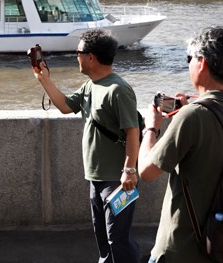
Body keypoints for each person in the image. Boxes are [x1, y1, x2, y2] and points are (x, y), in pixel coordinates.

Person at [138, 26, 223, 263]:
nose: (188, 64)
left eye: (189, 58)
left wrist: (151, 128)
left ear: (202, 63)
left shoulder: (192, 116)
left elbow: (146, 172)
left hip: (182, 250)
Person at [32, 29, 141, 263]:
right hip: (96, 177)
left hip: (117, 180)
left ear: (91, 57)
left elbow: (133, 131)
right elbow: (65, 106)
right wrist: (44, 79)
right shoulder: (90, 86)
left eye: (78, 52)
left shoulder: (118, 89)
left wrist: (129, 170)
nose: (76, 57)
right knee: (103, 239)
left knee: (117, 240)